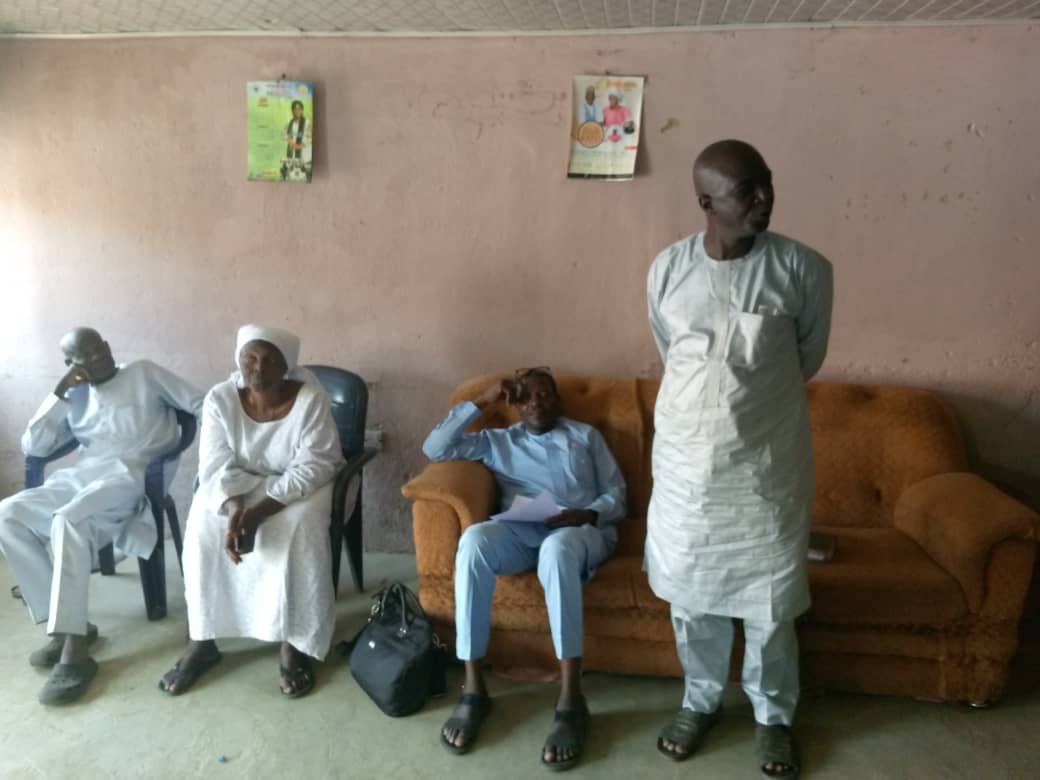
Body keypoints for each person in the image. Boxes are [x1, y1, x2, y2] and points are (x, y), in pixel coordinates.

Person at [646, 140, 833, 779]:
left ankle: (773, 718)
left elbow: (807, 356)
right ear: (706, 201)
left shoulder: (804, 269)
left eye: (767, 183)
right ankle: (698, 702)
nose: (764, 197)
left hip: (765, 472)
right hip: (685, 475)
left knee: (771, 607)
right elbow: (669, 349)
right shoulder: (668, 270)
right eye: (746, 189)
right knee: (691, 600)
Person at [423, 368, 626, 771]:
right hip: (522, 532)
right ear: (514, 404)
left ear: (558, 401)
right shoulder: (498, 441)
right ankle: (474, 689)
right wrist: (484, 398)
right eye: (526, 396)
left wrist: (587, 512)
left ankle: (571, 698)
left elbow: (617, 495)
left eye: (545, 394)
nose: (537, 403)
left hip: (580, 532)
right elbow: (435, 448)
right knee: (474, 541)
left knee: (557, 549)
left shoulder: (585, 436)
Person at [0, 327, 204, 705]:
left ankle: (75, 651)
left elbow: (201, 403)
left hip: (131, 477)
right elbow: (34, 446)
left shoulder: (144, 373)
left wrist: (217, 454)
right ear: (71, 364)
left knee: (67, 520)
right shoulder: (74, 394)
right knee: (7, 514)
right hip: (81, 477)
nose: (100, 358)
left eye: (101, 348)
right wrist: (59, 393)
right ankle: (65, 628)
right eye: (87, 355)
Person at [158, 325, 343, 699]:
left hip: (300, 483)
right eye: (250, 358)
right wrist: (234, 509)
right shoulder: (220, 399)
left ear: (287, 365)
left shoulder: (309, 399)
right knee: (203, 527)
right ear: (238, 360)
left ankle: (294, 642)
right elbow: (214, 465)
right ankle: (202, 639)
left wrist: (259, 513)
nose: (258, 368)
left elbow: (316, 463)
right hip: (237, 482)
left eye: (270, 360)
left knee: (298, 526)